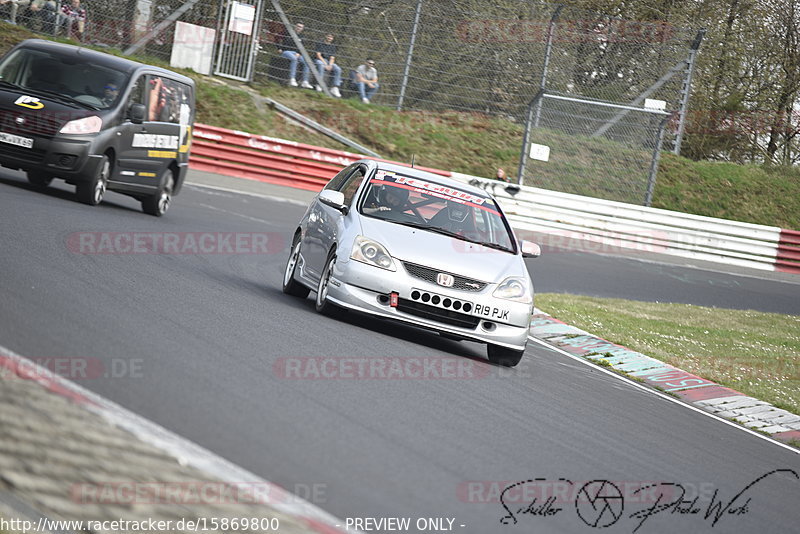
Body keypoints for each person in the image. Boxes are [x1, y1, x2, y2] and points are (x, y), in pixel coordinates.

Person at [276, 21, 312, 89]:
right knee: (294, 59)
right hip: (286, 51)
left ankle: (305, 81)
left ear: (302, 29)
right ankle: (292, 79)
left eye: (300, 27)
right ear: (295, 26)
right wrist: (279, 48)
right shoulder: (288, 33)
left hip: (296, 53)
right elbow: (277, 38)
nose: (299, 28)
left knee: (307, 62)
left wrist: (299, 53)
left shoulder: (302, 37)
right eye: (298, 26)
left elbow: (302, 47)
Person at [313, 33, 342, 98]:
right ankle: (319, 84)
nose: (329, 38)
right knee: (320, 65)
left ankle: (335, 87)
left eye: (331, 37)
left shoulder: (333, 46)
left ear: (332, 39)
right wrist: (325, 64)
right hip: (319, 60)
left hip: (329, 62)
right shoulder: (320, 43)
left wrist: (330, 65)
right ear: (326, 36)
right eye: (328, 36)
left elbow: (332, 58)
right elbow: (318, 55)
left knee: (338, 69)